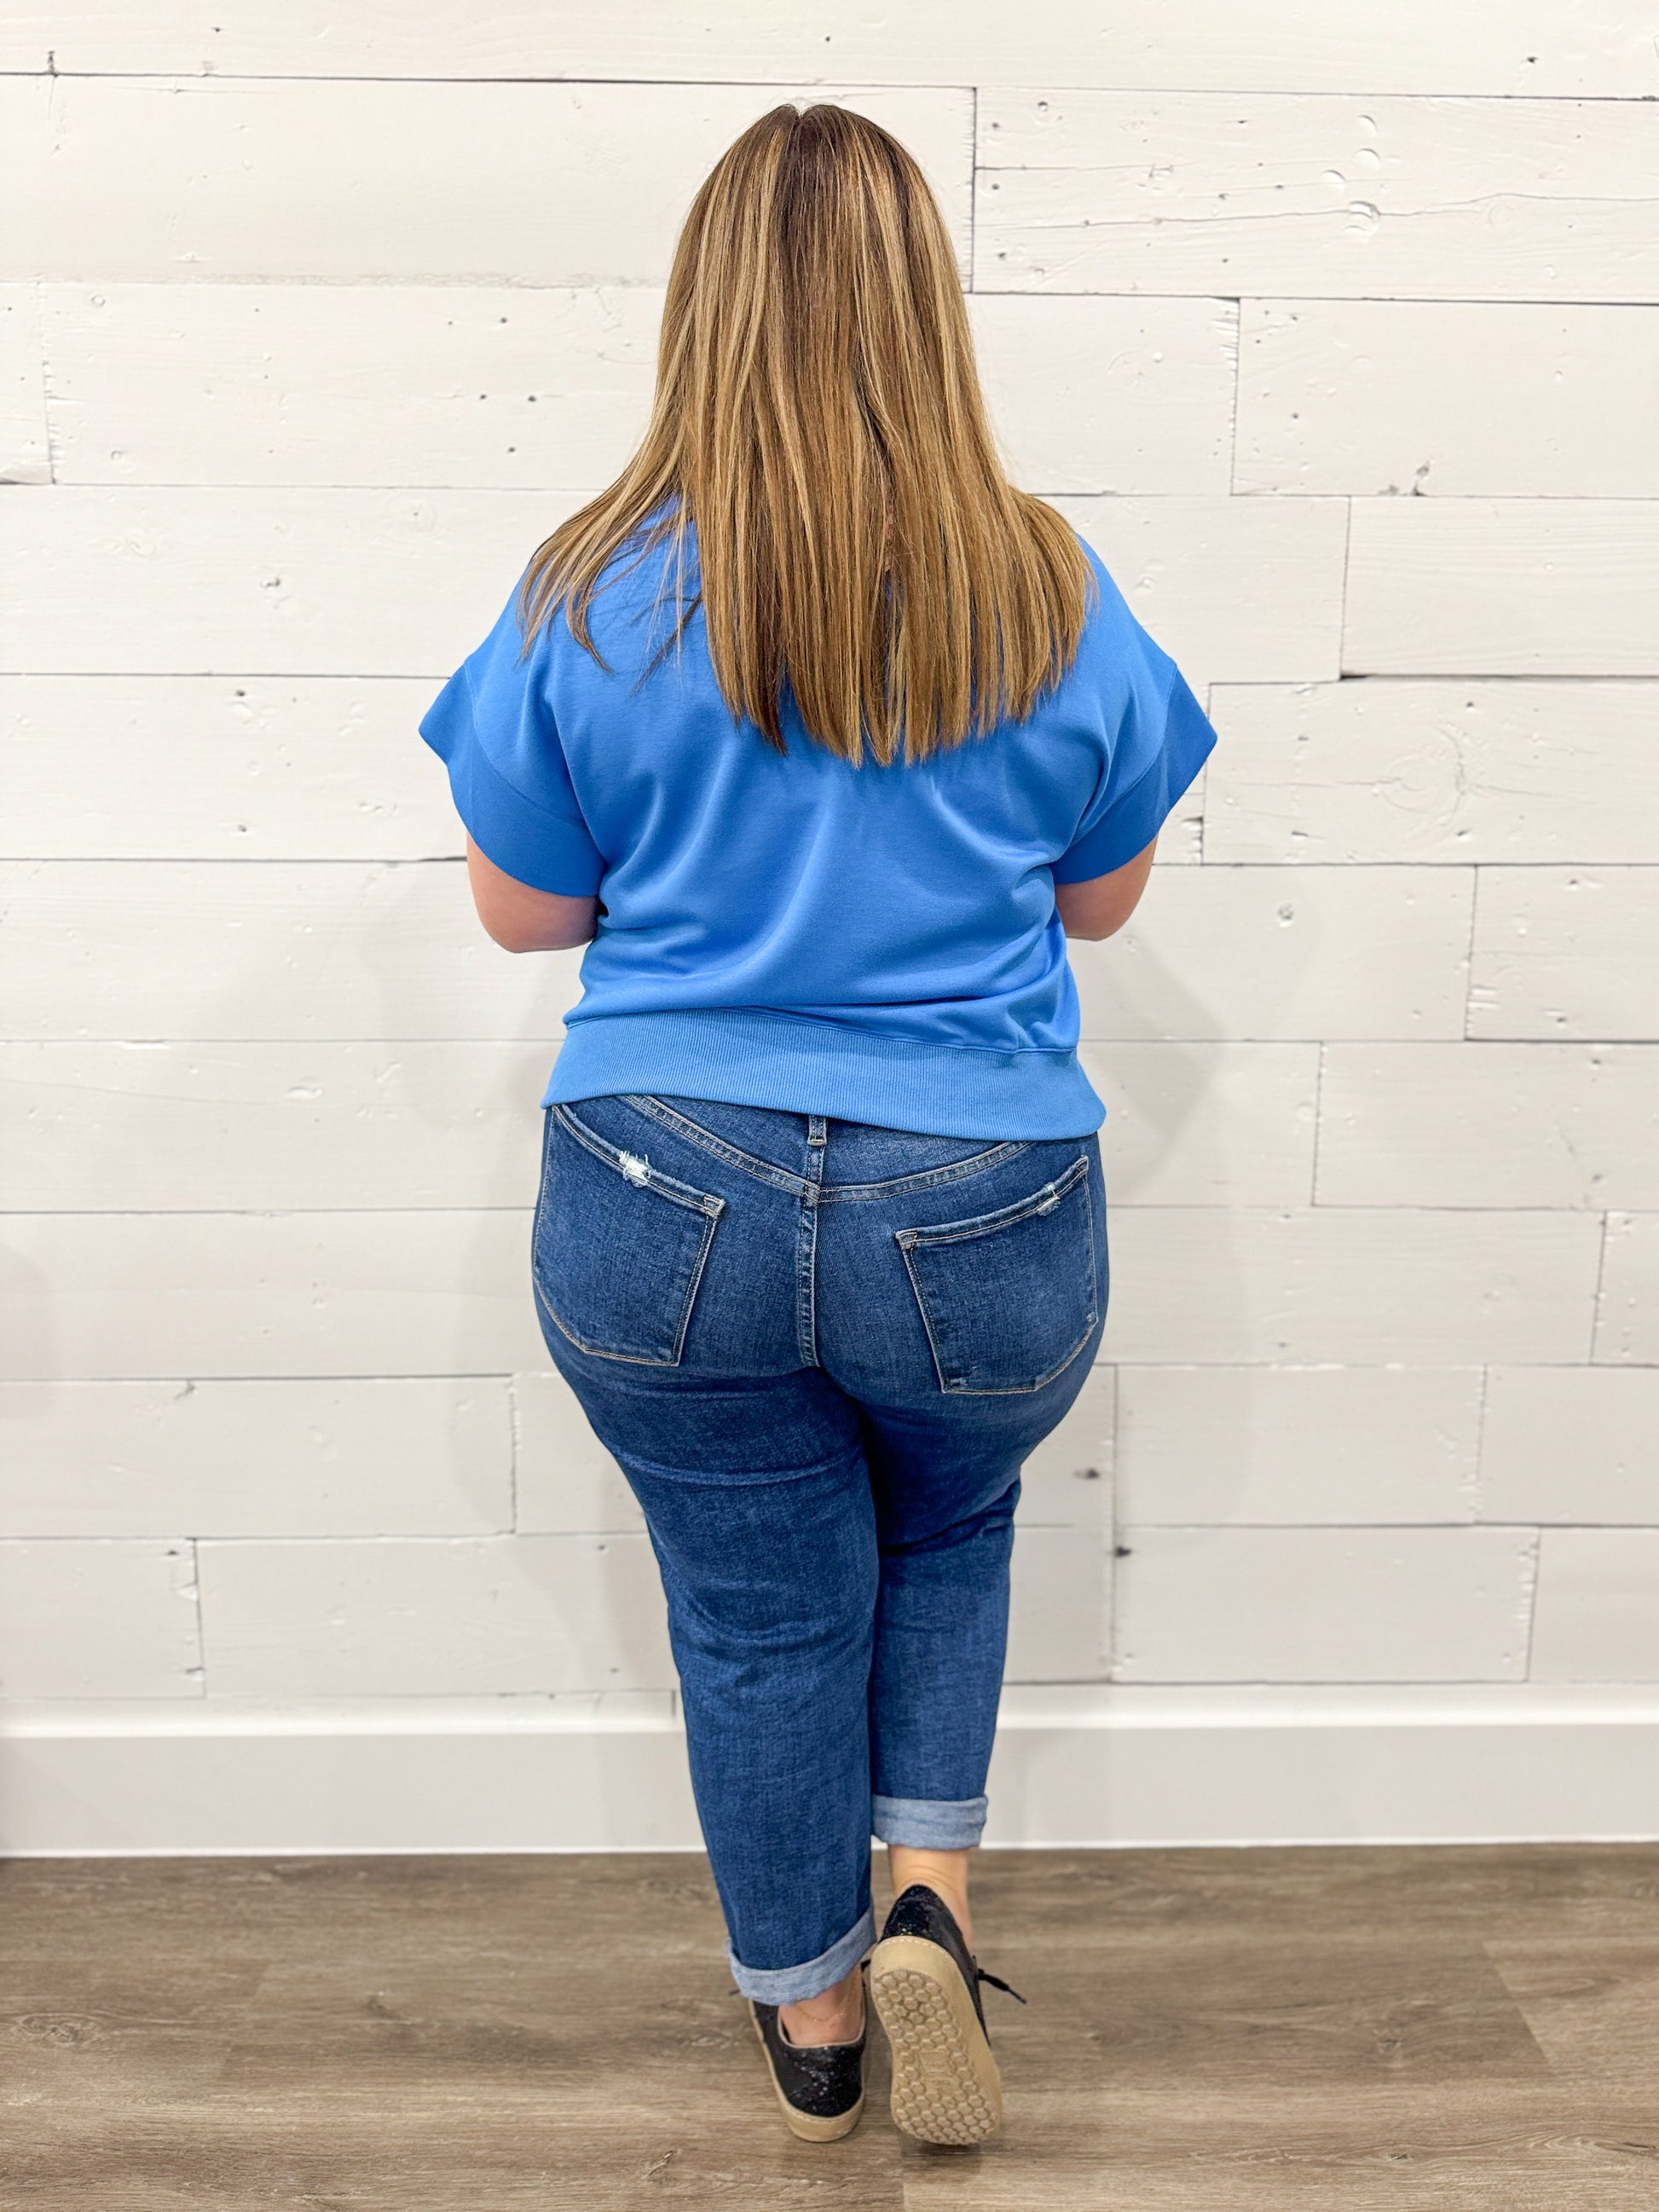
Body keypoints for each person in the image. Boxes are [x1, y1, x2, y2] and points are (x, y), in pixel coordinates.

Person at [419, 101, 1216, 2148]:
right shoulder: (1039, 578)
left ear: (701, 311)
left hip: (661, 1173)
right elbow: (1106, 891)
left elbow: (527, 912)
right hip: (981, 1195)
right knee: (946, 1523)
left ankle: (821, 2023)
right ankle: (929, 1892)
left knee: (764, 1601)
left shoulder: (593, 586)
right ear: (927, 312)